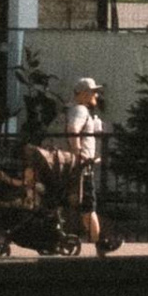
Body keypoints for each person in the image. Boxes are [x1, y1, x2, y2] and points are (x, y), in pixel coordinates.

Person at [64, 76, 108, 251]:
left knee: (83, 206)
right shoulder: (80, 110)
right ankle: (99, 244)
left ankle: (96, 241)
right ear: (83, 93)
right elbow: (73, 129)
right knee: (89, 205)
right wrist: (79, 154)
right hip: (82, 167)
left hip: (77, 165)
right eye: (92, 92)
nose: (95, 95)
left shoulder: (71, 109)